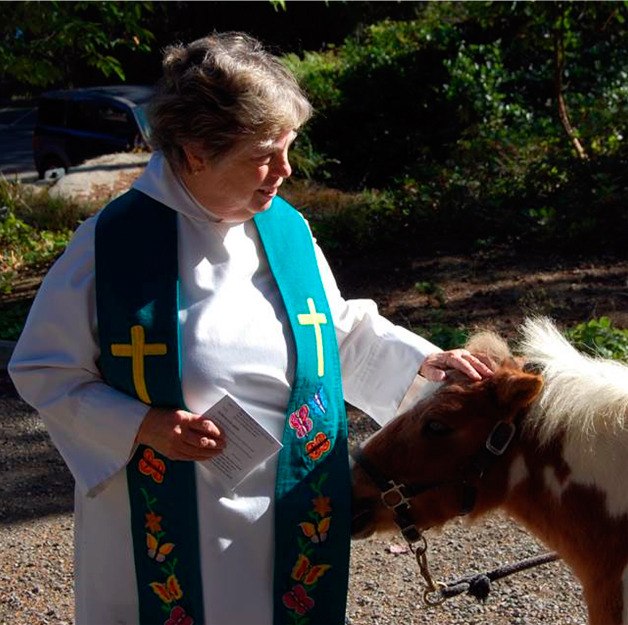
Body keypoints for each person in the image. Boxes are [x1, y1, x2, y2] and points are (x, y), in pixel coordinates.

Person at [9, 32, 492, 625]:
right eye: (264, 153)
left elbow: (333, 330)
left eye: (289, 147)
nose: (285, 171)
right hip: (173, 517)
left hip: (292, 503)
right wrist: (143, 425)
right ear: (193, 152)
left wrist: (422, 365)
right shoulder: (111, 246)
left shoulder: (285, 230)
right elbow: (44, 369)